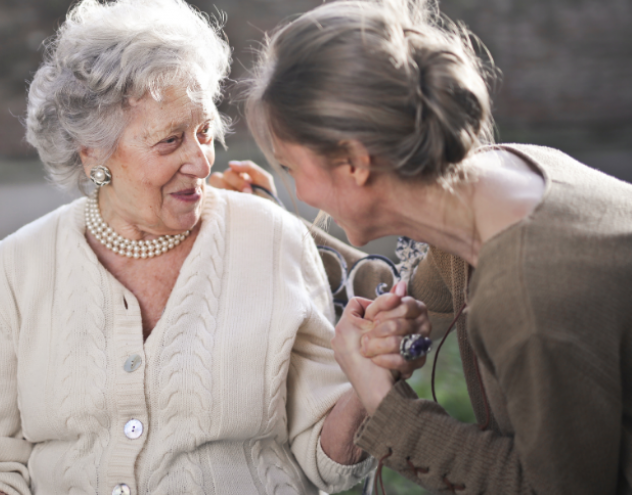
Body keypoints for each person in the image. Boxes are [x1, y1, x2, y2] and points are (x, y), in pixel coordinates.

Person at [0, 1, 431, 494]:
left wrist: (368, 377)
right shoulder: (16, 267)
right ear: (93, 154)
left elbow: (326, 462)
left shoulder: (272, 239)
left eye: (205, 131)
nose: (200, 161)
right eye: (170, 141)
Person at [236, 0, 632, 493]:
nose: (303, 193)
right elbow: (405, 297)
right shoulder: (499, 177)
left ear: (355, 164)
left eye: (291, 168)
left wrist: (385, 405)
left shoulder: (528, 296)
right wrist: (261, 217)